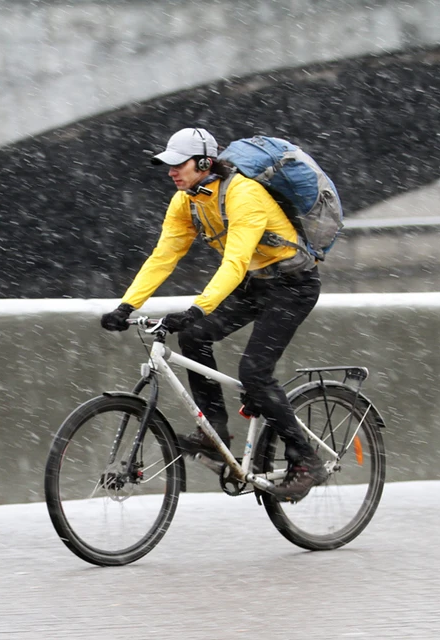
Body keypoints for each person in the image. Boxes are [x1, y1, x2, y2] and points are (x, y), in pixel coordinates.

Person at [100, 127, 329, 502]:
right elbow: (164, 256)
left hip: (292, 287)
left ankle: (306, 459)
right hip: (256, 284)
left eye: (179, 164)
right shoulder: (185, 200)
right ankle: (215, 433)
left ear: (205, 163)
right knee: (193, 337)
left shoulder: (244, 195)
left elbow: (235, 261)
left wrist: (197, 308)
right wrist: (127, 305)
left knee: (254, 372)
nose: (171, 171)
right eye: (167, 165)